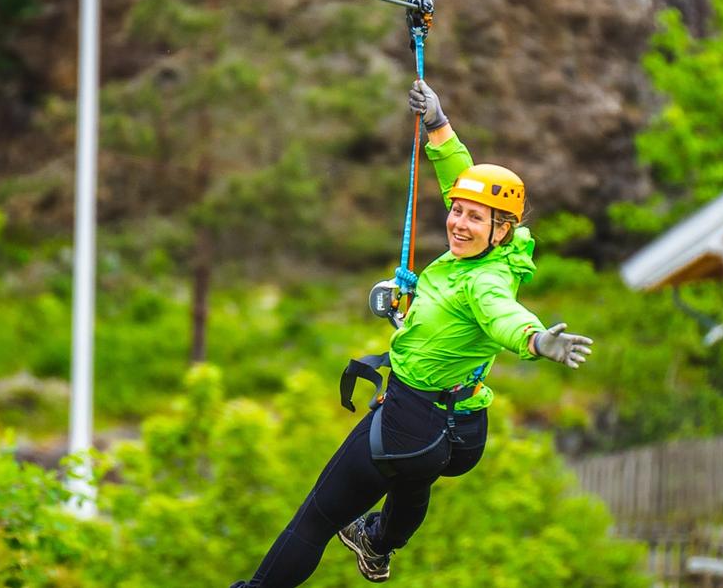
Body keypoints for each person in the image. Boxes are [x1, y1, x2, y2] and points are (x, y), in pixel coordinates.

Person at [229, 80, 594, 588]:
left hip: (412, 424)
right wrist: (439, 126)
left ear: (502, 229)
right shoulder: (505, 252)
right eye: (457, 211)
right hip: (461, 432)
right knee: (411, 475)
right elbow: (458, 178)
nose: (458, 223)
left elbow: (503, 316)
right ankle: (379, 542)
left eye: (475, 217)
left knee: (314, 521)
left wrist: (537, 341)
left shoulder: (483, 282)